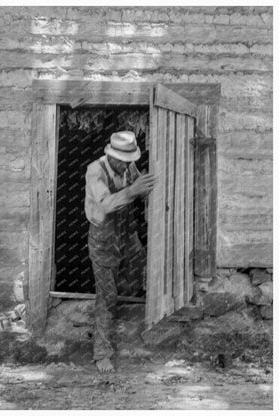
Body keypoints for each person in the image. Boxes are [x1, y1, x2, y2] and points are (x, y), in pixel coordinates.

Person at [84, 131, 157, 373]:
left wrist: (149, 186)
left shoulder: (129, 167)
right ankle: (102, 353)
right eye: (122, 161)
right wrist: (132, 191)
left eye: (130, 161)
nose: (127, 165)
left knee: (143, 273)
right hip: (103, 237)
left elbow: (142, 189)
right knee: (107, 296)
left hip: (128, 233)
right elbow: (105, 204)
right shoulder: (95, 170)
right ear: (110, 154)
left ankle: (124, 316)